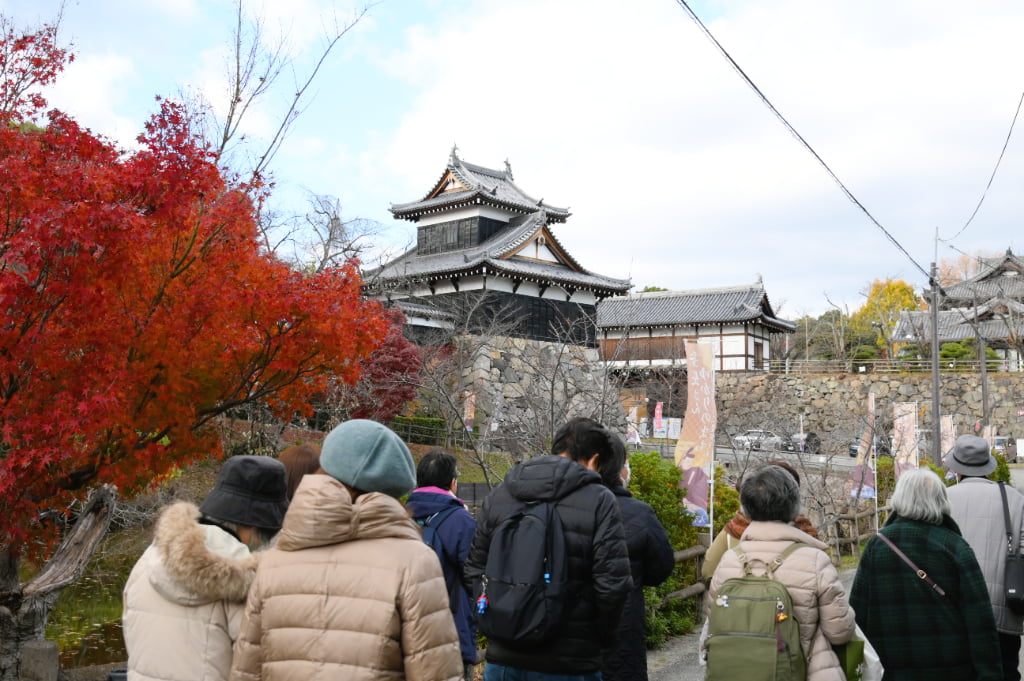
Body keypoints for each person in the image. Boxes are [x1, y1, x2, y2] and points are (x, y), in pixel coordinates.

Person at [229, 419, 462, 681]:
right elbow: (434, 671)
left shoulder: (276, 557)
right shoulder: (415, 561)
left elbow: (247, 669)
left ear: (325, 469)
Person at [465, 416, 632, 681]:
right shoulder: (599, 500)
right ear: (593, 460)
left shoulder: (501, 494)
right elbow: (613, 584)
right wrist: (598, 639)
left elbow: (474, 568)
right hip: (570, 663)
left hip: (503, 659)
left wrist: (495, 620)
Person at [123, 455, 289, 681]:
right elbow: (254, 668)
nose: (262, 543)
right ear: (250, 525)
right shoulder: (243, 580)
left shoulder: (148, 560)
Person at [706, 464, 855, 681]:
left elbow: (714, 622)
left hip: (734, 672)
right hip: (801, 671)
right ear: (794, 506)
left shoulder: (729, 560)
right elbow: (840, 632)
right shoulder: (814, 560)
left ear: (746, 508)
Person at [850, 468, 1001, 681]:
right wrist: (989, 673)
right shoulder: (956, 547)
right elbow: (980, 620)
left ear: (900, 499)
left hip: (890, 666)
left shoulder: (877, 546)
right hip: (950, 669)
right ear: (941, 500)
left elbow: (857, 612)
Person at [946, 434, 1024, 681]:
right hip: (1003, 607)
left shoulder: (943, 498)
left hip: (954, 608)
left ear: (957, 468)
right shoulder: (1013, 498)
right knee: (1005, 671)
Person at [598, 440, 675, 681]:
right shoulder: (638, 512)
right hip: (623, 623)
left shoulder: (562, 506)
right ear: (617, 469)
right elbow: (662, 566)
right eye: (625, 463)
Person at [405, 450, 479, 681]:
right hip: (450, 629)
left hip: (406, 625)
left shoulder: (399, 513)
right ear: (452, 482)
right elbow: (474, 574)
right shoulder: (460, 520)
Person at [701, 459, 817, 582]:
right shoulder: (807, 536)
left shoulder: (735, 529)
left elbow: (708, 572)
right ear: (794, 497)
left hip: (739, 599)